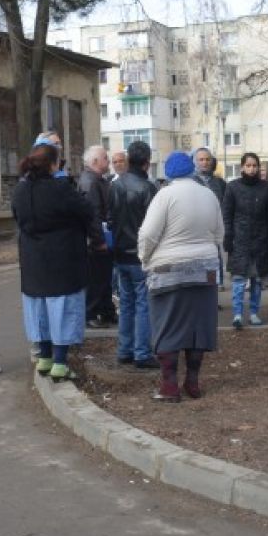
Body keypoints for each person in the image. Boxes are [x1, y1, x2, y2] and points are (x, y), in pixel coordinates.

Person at [138, 151, 225, 402]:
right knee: (199, 326)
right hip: (205, 269)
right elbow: (219, 233)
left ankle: (169, 386)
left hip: (169, 270)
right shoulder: (209, 194)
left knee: (167, 325)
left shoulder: (164, 195)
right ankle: (193, 382)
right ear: (191, 170)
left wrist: (145, 258)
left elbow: (148, 234)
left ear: (168, 173)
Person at [14, 143, 102, 382]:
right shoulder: (61, 189)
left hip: (33, 261)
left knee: (39, 312)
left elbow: (18, 219)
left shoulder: (20, 190)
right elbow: (87, 211)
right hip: (63, 261)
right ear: (53, 165)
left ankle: (44, 359)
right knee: (63, 311)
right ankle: (60, 364)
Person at [108, 141, 159, 369]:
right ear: (147, 162)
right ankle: (141, 352)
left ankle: (125, 350)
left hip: (121, 252)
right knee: (142, 304)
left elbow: (110, 218)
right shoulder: (148, 188)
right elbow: (153, 225)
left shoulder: (116, 185)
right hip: (141, 254)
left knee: (127, 303)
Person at [223, 152, 268, 328]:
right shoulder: (232, 187)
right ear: (242, 167)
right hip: (240, 241)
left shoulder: (266, 188)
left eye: (254, 166)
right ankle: (237, 314)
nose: (251, 169)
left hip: (261, 241)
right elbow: (227, 215)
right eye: (248, 165)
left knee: (257, 280)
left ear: (258, 167)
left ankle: (254, 313)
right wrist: (228, 236)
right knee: (238, 280)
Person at [78, 145, 117, 327]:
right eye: (105, 158)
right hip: (96, 241)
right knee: (96, 278)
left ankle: (106, 311)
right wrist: (98, 240)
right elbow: (93, 215)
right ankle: (91, 313)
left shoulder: (98, 180)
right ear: (95, 161)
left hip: (101, 237)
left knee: (104, 278)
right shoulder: (91, 182)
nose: (108, 161)